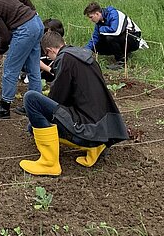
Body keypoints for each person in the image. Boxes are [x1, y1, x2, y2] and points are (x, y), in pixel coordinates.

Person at [19, 31, 129, 176]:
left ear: (50, 51)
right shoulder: (83, 55)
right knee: (34, 124)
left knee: (31, 99)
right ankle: (96, 147)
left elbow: (56, 100)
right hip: (104, 129)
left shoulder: (64, 59)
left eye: (48, 56)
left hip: (86, 130)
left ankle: (49, 163)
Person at [83, 2, 147, 69]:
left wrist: (102, 29)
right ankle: (123, 53)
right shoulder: (99, 22)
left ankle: (121, 62)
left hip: (134, 38)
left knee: (110, 38)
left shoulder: (114, 14)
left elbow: (116, 31)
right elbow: (95, 37)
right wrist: (85, 50)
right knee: (95, 46)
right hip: (123, 39)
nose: (90, 20)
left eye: (91, 17)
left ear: (97, 13)